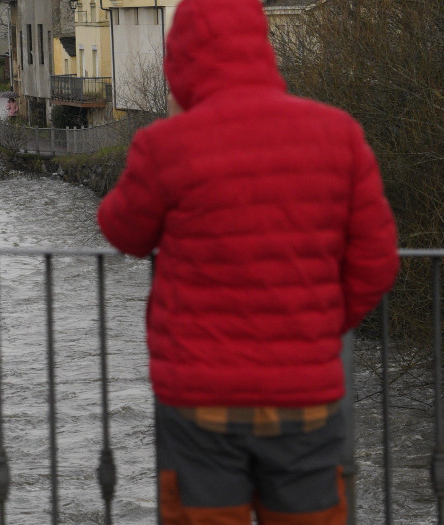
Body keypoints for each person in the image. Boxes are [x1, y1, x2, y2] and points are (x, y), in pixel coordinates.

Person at [96, 0, 400, 523]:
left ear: (181, 60)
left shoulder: (168, 145)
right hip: (304, 395)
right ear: (264, 48)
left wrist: (175, 125)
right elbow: (376, 260)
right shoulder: (339, 134)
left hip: (199, 402)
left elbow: (122, 229)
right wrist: (321, 325)